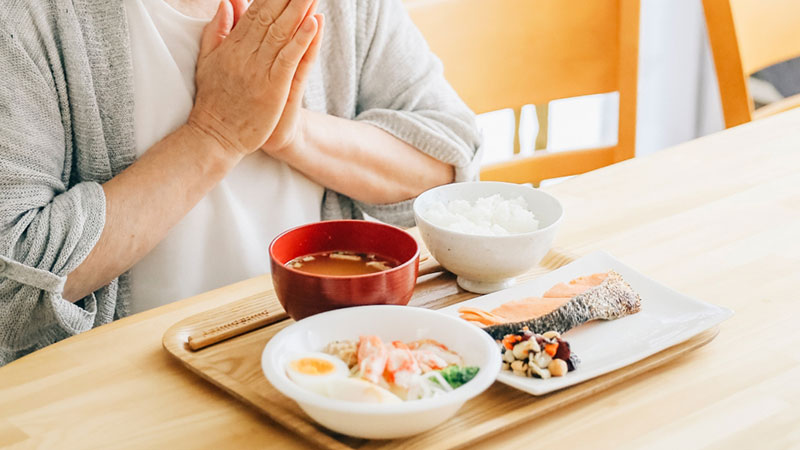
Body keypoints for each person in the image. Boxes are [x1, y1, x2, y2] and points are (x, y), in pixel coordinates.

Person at [0, 0, 481, 365]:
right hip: (126, 385)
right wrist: (215, 133)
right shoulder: (29, 19)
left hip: (331, 363)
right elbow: (11, 284)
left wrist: (290, 133)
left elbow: (448, 157)